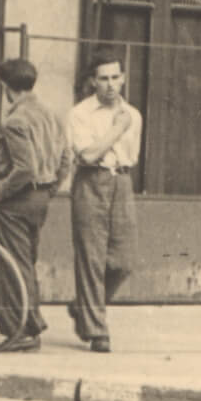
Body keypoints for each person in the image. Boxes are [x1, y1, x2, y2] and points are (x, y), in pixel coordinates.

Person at [0, 58, 70, 350]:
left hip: (16, 200)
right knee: (25, 262)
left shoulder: (16, 120)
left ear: (6, 87)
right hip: (40, 198)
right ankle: (31, 325)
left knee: (9, 265)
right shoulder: (51, 115)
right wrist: (49, 189)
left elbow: (24, 168)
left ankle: (17, 331)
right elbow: (66, 161)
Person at [66, 51, 142, 353]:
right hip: (90, 181)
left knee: (125, 261)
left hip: (121, 182)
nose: (110, 85)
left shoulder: (133, 115)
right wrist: (116, 129)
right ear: (92, 82)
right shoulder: (80, 114)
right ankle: (98, 331)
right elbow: (86, 155)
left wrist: (122, 127)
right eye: (103, 78)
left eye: (115, 77)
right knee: (91, 258)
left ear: (122, 79)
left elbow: (130, 155)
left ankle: (82, 306)